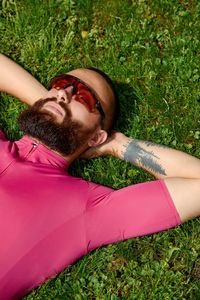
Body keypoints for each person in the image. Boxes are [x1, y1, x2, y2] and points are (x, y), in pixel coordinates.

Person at [0, 53, 199, 300]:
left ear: (96, 137)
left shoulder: (85, 207)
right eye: (61, 84)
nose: (64, 93)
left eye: (84, 97)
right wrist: (47, 104)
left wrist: (118, 144)